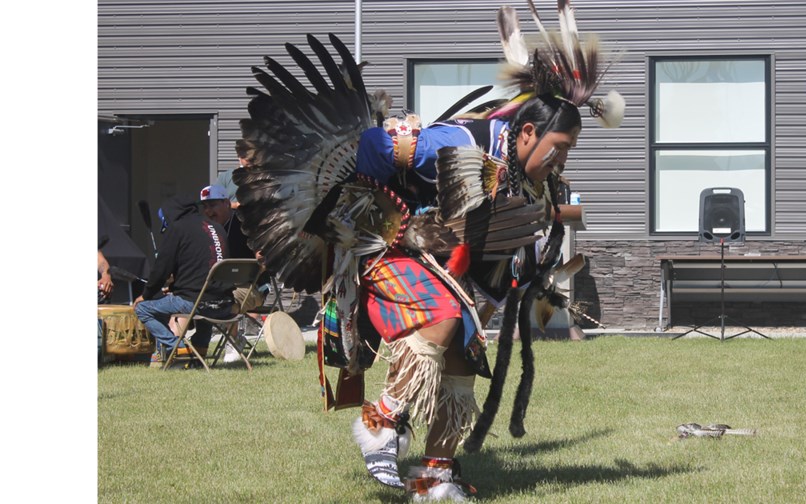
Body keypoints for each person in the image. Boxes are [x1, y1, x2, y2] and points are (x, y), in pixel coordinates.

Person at [232, 2, 623, 499]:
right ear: (528, 132)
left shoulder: (527, 182)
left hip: (435, 262)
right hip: (380, 246)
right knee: (440, 315)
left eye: (569, 150)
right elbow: (373, 149)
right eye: (559, 148)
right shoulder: (459, 141)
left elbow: (495, 251)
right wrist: (390, 224)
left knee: (464, 353)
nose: (562, 160)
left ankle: (434, 476)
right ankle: (381, 422)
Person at [134, 193, 234, 368]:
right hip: (225, 304)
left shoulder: (179, 228)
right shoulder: (216, 227)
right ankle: (200, 348)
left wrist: (147, 294)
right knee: (204, 297)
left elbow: (160, 269)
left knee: (143, 308)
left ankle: (178, 348)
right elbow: (202, 266)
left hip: (197, 303)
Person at [199, 183, 269, 362]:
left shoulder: (245, 225)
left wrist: (252, 268)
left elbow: (263, 260)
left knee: (225, 300)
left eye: (213, 205)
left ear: (226, 203)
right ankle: (197, 346)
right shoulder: (205, 229)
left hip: (254, 286)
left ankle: (233, 340)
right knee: (197, 298)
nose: (209, 211)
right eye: (205, 206)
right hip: (218, 286)